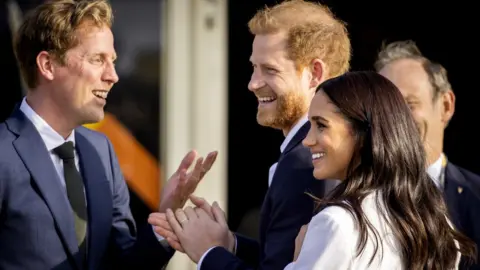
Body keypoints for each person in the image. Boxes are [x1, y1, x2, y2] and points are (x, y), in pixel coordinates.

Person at [167, 71, 477, 269]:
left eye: (321, 126)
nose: (308, 140)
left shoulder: (338, 224)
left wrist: (209, 253)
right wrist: (231, 244)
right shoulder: (433, 220)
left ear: (364, 133)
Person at [0, 0, 217, 269]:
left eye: (112, 61)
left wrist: (166, 216)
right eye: (97, 59)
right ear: (48, 65)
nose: (113, 76)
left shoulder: (100, 150)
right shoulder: (4, 154)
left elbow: (123, 261)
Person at [148, 0, 350, 269]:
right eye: (254, 67)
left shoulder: (305, 161)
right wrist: (230, 244)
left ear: (314, 73)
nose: (253, 83)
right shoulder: (328, 152)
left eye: (270, 69)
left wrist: (208, 253)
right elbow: (280, 260)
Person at [375, 40, 480, 269]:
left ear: (445, 105)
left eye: (409, 104)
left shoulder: (476, 198)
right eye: (384, 107)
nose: (395, 119)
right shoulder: (350, 195)